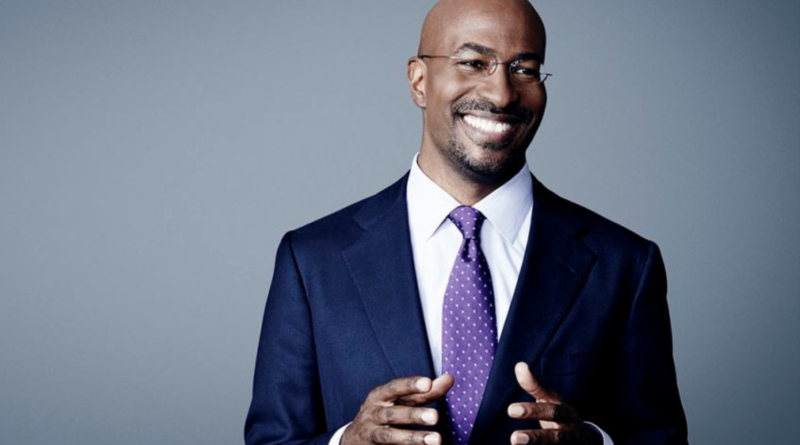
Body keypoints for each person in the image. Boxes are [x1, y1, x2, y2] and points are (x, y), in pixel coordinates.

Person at [245, 0, 688, 444]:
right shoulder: (313, 260)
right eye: (474, 62)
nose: (502, 94)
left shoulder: (624, 264)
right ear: (419, 80)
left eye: (525, 68)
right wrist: (348, 442)